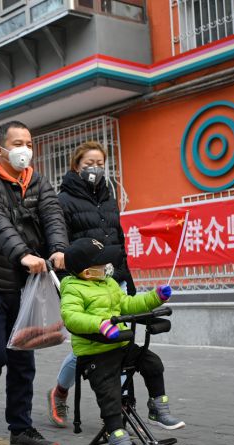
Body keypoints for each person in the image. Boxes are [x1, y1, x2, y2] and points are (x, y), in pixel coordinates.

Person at [47, 143, 184, 430]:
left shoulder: (109, 198)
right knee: (87, 344)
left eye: (100, 163)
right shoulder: (63, 200)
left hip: (114, 275)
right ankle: (60, 391)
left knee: (122, 339)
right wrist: (70, 270)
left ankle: (122, 404)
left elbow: (118, 241)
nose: (94, 168)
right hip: (83, 277)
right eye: (88, 163)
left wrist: (127, 279)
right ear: (76, 166)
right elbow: (60, 239)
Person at [0, 120, 68, 445]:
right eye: (18, 143)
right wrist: (22, 254)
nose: (25, 150)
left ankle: (20, 429)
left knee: (22, 357)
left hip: (25, 287)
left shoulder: (36, 181)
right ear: (0, 150)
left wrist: (58, 248)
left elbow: (52, 215)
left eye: (29, 143)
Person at [59, 237, 172, 445]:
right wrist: (99, 325)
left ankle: (158, 407)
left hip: (120, 345)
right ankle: (117, 436)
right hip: (95, 352)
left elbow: (128, 305)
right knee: (109, 389)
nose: (107, 267)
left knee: (152, 362)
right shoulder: (72, 288)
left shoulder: (109, 284)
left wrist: (154, 298)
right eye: (102, 264)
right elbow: (71, 317)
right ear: (87, 272)